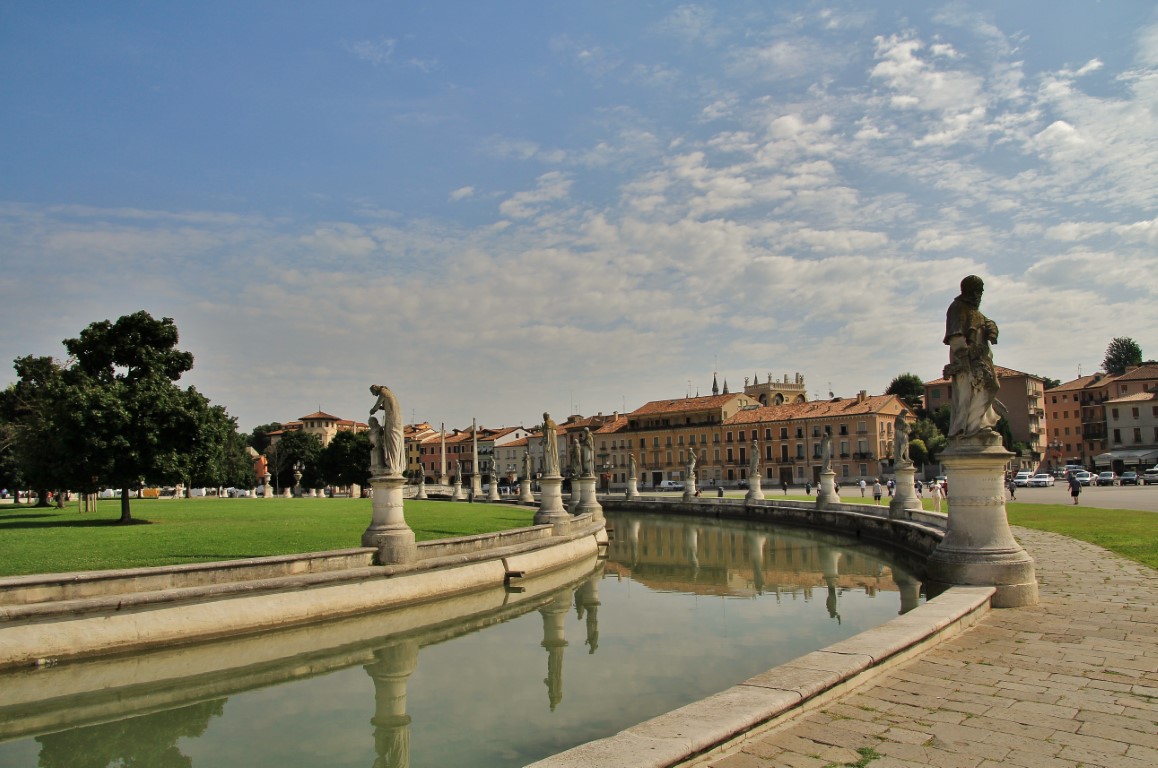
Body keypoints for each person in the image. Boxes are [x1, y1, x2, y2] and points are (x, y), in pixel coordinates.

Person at [943, 275, 1003, 440]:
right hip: (966, 361)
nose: (981, 294)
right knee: (967, 394)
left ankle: (978, 424)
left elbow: (984, 326)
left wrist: (991, 328)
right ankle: (969, 428)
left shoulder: (975, 312)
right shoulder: (957, 308)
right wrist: (965, 357)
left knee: (990, 387)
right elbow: (955, 337)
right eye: (980, 291)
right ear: (972, 291)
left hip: (981, 360)